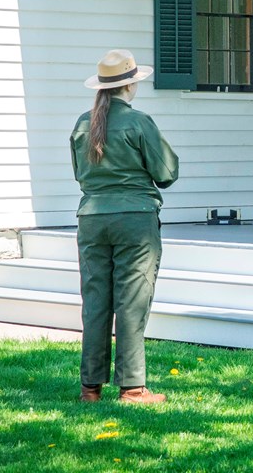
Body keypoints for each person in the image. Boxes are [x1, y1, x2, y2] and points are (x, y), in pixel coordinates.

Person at [70, 49, 179, 404]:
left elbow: (80, 175)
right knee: (131, 301)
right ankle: (132, 387)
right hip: (134, 218)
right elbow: (166, 173)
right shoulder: (138, 122)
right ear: (130, 85)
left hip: (92, 219)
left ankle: (90, 388)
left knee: (96, 301)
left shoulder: (83, 124)